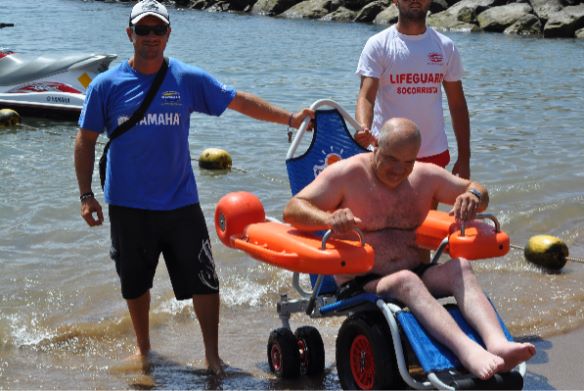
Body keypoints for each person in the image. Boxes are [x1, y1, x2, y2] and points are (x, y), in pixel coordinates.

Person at [73, 0, 313, 376]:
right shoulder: (106, 85)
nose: (150, 37)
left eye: (157, 30)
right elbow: (85, 140)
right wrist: (86, 196)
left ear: (168, 34)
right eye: (143, 30)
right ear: (129, 33)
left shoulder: (185, 78)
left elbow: (237, 101)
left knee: (205, 280)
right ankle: (144, 351)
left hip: (180, 203)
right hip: (127, 205)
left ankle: (212, 356)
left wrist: (289, 117)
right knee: (134, 285)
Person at [283, 117, 535, 380]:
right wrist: (329, 220)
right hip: (362, 280)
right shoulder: (347, 175)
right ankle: (468, 351)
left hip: (416, 270)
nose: (398, 170)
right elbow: (292, 209)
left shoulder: (424, 176)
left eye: (407, 162)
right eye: (391, 159)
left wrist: (472, 197)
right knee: (406, 281)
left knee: (459, 267)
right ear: (377, 146)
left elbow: (479, 190)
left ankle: (497, 344)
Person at [354, 0, 471, 179]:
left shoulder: (446, 46)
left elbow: (457, 106)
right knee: (385, 207)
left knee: (428, 209)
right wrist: (363, 127)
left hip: (433, 152)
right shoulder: (378, 45)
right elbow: (366, 97)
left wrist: (464, 158)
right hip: (387, 152)